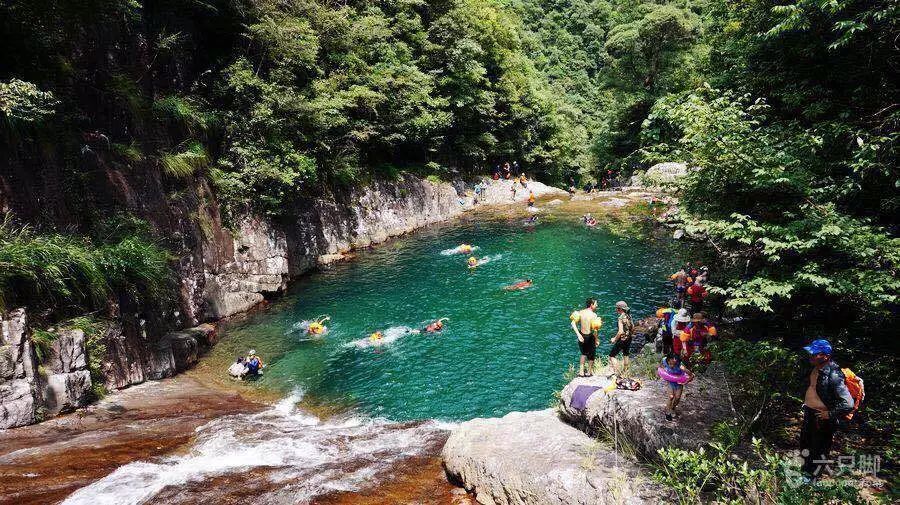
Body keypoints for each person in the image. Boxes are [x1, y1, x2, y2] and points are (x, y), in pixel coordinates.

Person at [799, 339, 854, 478]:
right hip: (810, 414)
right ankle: (805, 473)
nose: (810, 355)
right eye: (810, 352)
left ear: (826, 356)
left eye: (814, 353)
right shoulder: (816, 368)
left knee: (819, 449)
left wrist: (829, 414)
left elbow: (848, 403)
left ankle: (813, 480)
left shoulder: (834, 375)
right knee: (806, 445)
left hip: (823, 419)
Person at [570, 298, 602, 377]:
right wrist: (597, 339)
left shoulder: (580, 312)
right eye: (595, 304)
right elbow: (595, 330)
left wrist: (578, 335)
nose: (597, 305)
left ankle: (581, 372)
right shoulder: (594, 315)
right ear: (591, 305)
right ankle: (589, 372)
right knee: (592, 354)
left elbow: (573, 323)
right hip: (590, 336)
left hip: (582, 335)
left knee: (583, 354)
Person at [662, 352, 694, 421]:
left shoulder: (681, 366)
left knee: (677, 397)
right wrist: (662, 373)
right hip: (671, 382)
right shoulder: (665, 360)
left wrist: (686, 381)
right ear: (668, 360)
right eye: (670, 363)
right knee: (671, 397)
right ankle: (668, 413)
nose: (671, 366)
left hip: (679, 383)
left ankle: (673, 408)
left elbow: (691, 375)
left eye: (674, 364)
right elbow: (660, 368)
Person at [609, 301, 635, 374]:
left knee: (612, 356)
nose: (616, 310)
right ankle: (625, 372)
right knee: (626, 354)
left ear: (620, 309)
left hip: (622, 339)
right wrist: (629, 335)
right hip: (629, 338)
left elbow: (620, 331)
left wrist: (614, 339)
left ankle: (617, 373)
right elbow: (633, 327)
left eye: (617, 308)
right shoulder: (629, 316)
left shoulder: (620, 318)